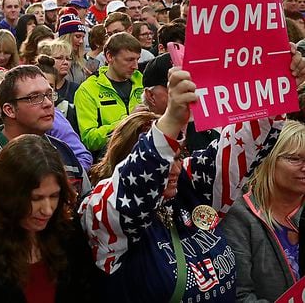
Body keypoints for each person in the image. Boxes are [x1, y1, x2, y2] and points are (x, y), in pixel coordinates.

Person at [79, 49, 305, 302]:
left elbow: (242, 147)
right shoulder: (100, 209)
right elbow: (132, 192)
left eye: (177, 157)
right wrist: (172, 119)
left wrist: (276, 85)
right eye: (165, 159)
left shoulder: (187, 185)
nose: (174, 169)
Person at [0, 134, 95, 302]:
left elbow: (86, 292)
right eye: (36, 198)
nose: (47, 210)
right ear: (8, 194)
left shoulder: (69, 231)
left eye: (54, 196)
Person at [0, 65, 91, 222]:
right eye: (34, 97)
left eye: (49, 94)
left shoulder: (64, 151)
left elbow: (86, 210)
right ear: (9, 110)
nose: (48, 103)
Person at [221, 120, 305, 302]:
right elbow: (239, 295)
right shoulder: (238, 214)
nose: (304, 167)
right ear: (268, 159)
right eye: (294, 158)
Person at [74, 32, 144, 154]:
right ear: (109, 57)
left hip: (144, 158)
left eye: (137, 59)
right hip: (109, 161)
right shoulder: (88, 90)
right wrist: (127, 122)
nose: (135, 66)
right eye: (129, 60)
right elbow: (89, 139)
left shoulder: (143, 82)